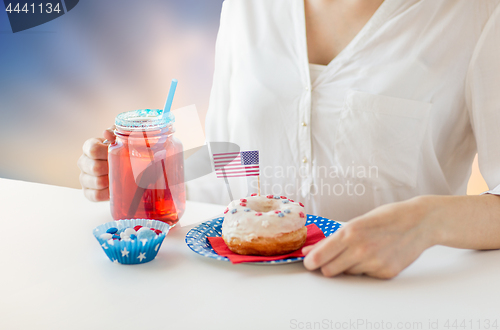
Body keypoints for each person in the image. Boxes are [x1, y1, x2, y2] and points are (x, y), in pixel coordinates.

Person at [78, 0, 500, 279]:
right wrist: (148, 172)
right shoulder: (248, 6)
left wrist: (427, 221)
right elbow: (234, 153)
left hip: (390, 302)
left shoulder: (476, 15)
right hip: (241, 298)